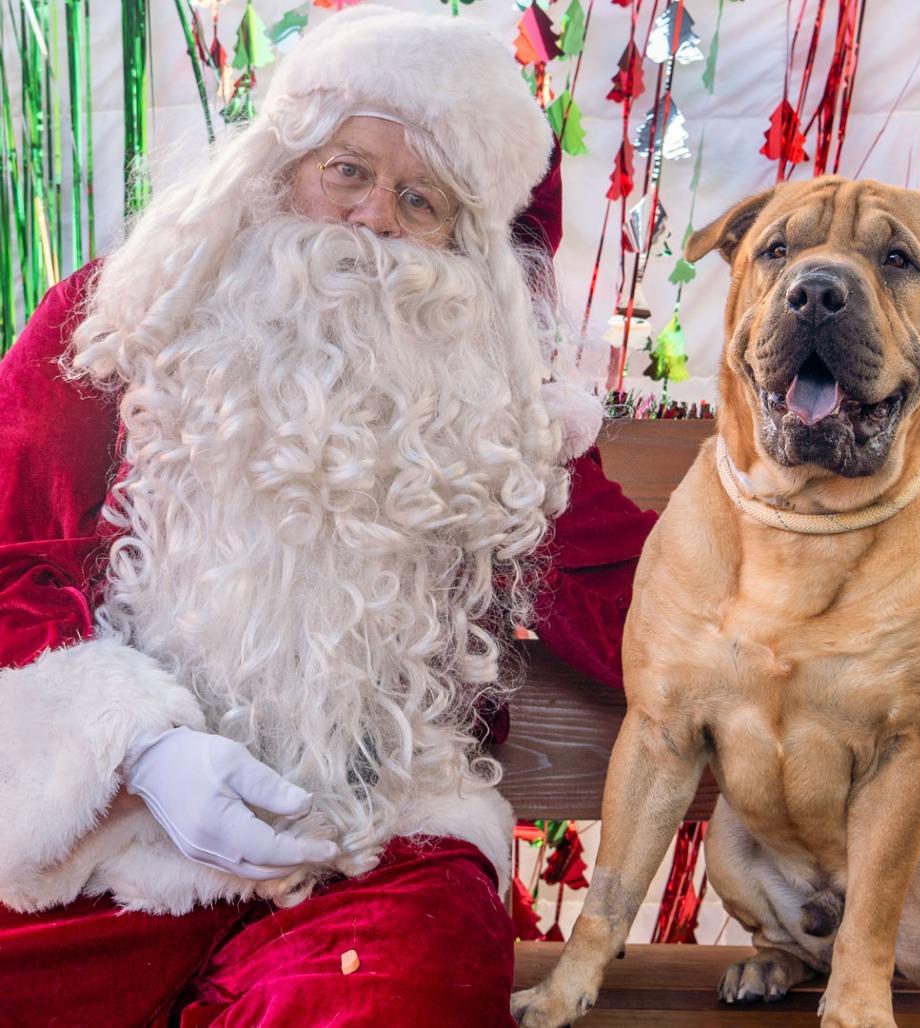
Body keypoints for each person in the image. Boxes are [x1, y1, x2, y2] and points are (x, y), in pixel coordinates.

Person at [0, 7, 656, 1026]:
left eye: (420, 197)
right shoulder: (115, 324)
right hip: (108, 825)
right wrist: (139, 745)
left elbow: (654, 604)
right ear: (279, 165)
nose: (372, 219)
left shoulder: (497, 413)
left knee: (393, 1000)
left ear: (468, 243)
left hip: (377, 840)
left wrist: (865, 629)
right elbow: (7, 559)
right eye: (347, 169)